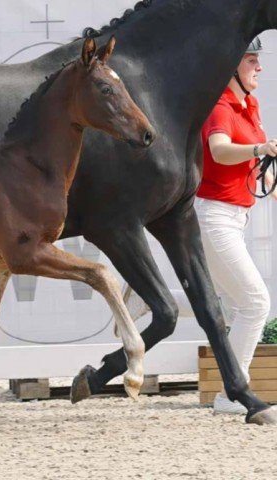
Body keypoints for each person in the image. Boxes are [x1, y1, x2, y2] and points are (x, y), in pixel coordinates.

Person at [122, 37, 277, 414]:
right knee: (255, 303)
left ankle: (150, 298)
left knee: (228, 302)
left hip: (234, 216)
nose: (259, 67)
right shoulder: (220, 106)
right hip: (213, 218)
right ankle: (230, 394)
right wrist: (260, 149)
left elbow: (255, 168)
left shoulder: (249, 105)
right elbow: (221, 151)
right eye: (251, 60)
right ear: (230, 69)